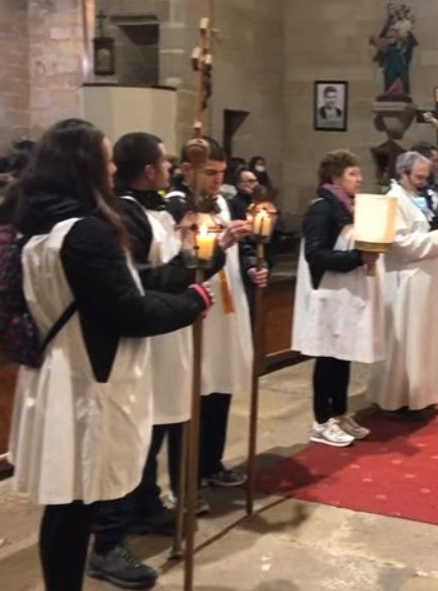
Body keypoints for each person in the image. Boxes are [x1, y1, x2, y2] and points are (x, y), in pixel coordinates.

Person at [6, 118, 211, 591]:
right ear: (86, 167)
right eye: (106, 157)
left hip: (59, 369)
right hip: (86, 380)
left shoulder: (41, 228)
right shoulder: (87, 233)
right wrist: (193, 303)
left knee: (66, 506)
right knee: (77, 508)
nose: (114, 166)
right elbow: (130, 311)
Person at [87, 132, 233, 588]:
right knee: (136, 435)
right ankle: (107, 540)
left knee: (166, 422)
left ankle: (147, 504)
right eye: (165, 164)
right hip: (146, 337)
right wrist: (187, 273)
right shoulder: (122, 213)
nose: (170, 170)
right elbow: (137, 279)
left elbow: (188, 255)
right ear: (149, 170)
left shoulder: (163, 207)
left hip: (173, 333)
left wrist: (211, 252)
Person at [165, 137, 264, 513]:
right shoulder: (177, 205)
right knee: (195, 395)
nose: (216, 182)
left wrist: (251, 266)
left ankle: (211, 463)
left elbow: (236, 253)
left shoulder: (222, 202)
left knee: (221, 387)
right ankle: (183, 482)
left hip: (228, 304)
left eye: (222, 174)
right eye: (210, 173)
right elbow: (186, 258)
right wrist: (221, 241)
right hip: (198, 305)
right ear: (187, 169)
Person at [291, 149, 383, 447]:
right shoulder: (322, 208)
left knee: (343, 355)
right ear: (335, 177)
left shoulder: (347, 207)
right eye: (353, 174)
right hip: (328, 294)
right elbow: (315, 255)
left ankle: (340, 412)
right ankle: (321, 420)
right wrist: (358, 258)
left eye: (359, 173)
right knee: (328, 357)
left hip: (346, 293)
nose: (360, 179)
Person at [368, 152, 438, 419]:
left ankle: (420, 394)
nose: (423, 182)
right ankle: (397, 399)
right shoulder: (393, 200)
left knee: (423, 339)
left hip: (423, 279)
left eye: (426, 177)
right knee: (406, 341)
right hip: (404, 281)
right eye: (419, 177)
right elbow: (402, 245)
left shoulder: (414, 198)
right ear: (403, 173)